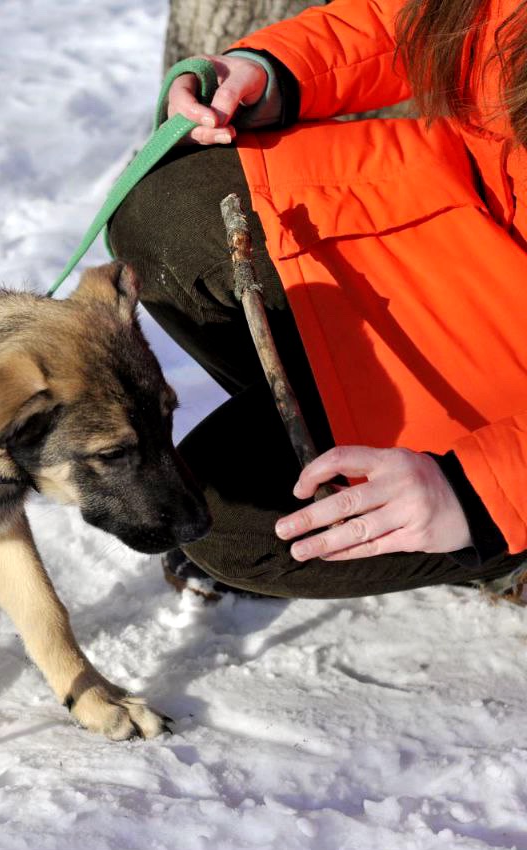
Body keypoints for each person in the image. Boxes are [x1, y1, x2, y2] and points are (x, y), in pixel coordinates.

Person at [109, 0, 527, 598]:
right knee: (164, 216)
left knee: (235, 524)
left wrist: (480, 493)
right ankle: (339, 422)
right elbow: (414, 19)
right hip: (463, 206)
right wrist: (269, 70)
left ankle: (491, 541)